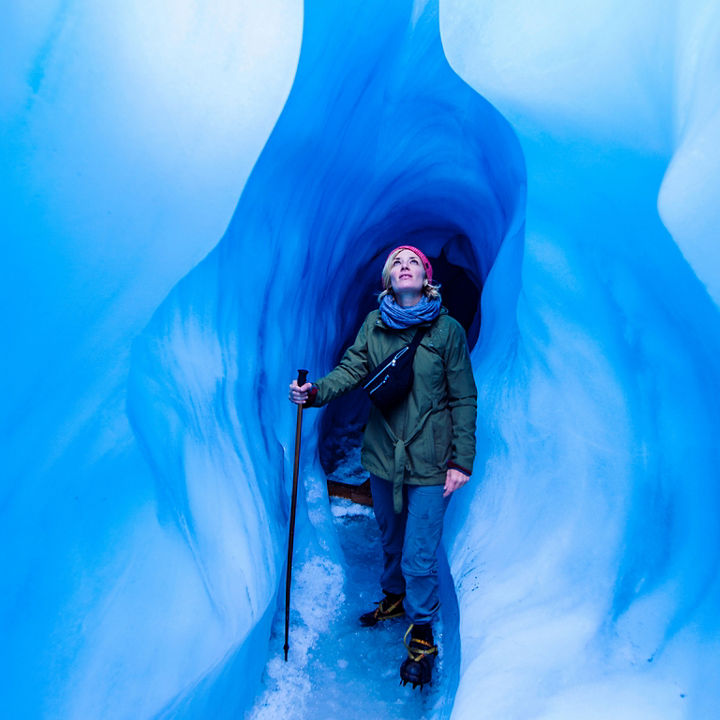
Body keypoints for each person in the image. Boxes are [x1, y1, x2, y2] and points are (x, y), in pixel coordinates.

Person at [289, 245, 477, 688]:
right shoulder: (374, 325)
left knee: (418, 554)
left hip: (430, 460)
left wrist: (461, 460)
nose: (405, 266)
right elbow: (351, 370)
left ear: (426, 277)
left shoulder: (446, 330)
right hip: (382, 455)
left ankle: (423, 632)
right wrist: (314, 393)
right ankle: (393, 599)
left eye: (413, 262)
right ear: (388, 279)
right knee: (391, 538)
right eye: (397, 263)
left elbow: (463, 396)